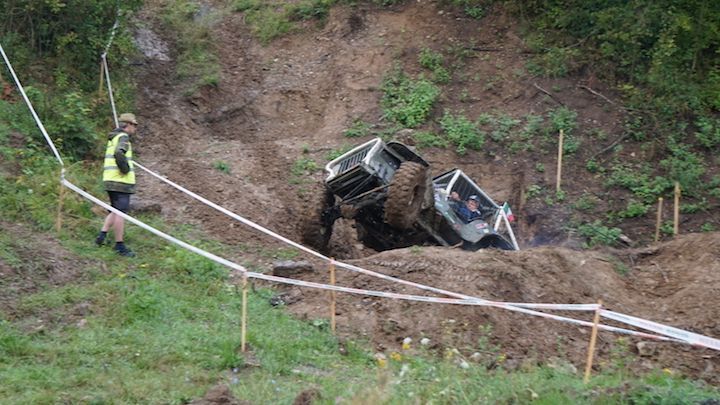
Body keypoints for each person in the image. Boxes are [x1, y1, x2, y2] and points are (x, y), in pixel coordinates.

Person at [95, 113, 139, 257]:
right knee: (121, 212)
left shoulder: (114, 137)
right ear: (128, 125)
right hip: (120, 181)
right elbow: (119, 153)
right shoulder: (123, 137)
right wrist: (125, 169)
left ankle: (101, 236)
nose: (135, 128)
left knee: (114, 210)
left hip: (110, 179)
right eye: (134, 125)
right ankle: (119, 245)